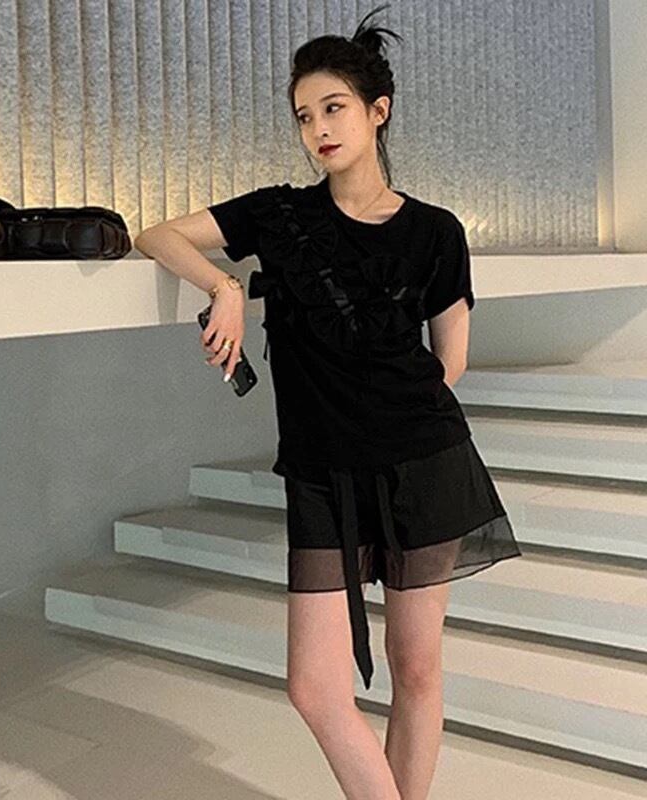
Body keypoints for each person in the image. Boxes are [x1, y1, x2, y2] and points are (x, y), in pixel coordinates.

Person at [134, 5, 522, 798]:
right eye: (304, 115)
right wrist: (224, 286)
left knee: (417, 670)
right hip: (321, 472)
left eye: (333, 108)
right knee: (314, 686)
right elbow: (158, 234)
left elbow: (451, 360)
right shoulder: (280, 216)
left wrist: (384, 412)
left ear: (378, 111)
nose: (318, 129)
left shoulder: (436, 231)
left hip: (422, 460)